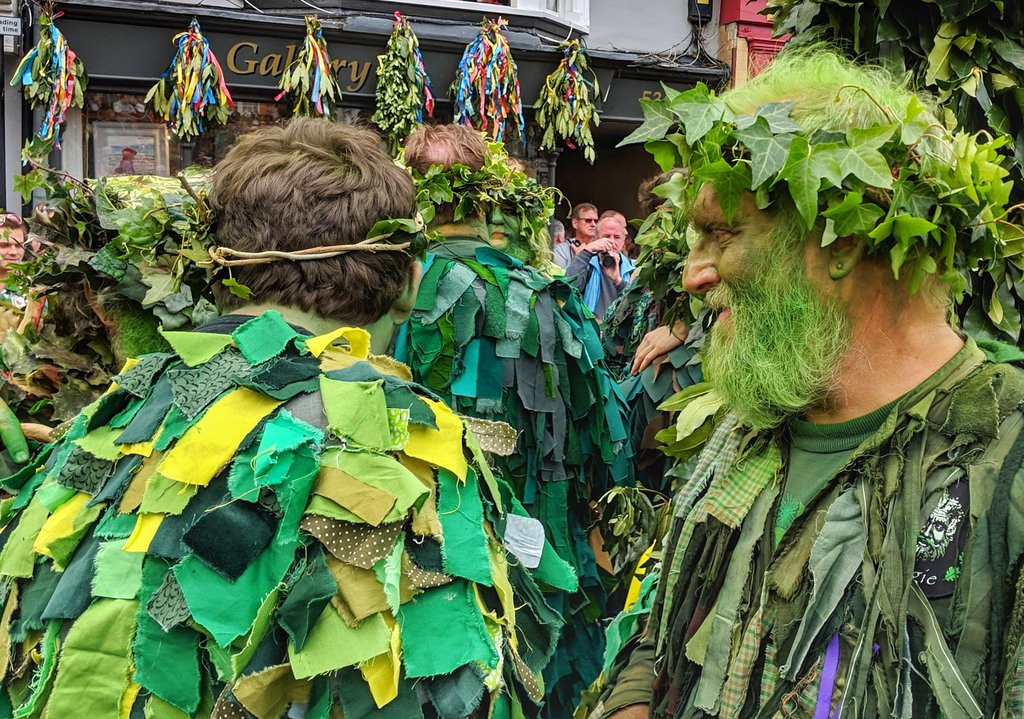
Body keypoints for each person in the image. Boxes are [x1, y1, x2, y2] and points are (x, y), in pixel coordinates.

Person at [595, 50, 1024, 718]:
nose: (692, 274)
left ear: (843, 239)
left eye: (721, 234)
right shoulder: (749, 434)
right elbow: (667, 631)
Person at [0, 118, 574, 719]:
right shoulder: (403, 439)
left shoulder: (110, 416)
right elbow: (446, 683)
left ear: (218, 273)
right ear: (410, 282)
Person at [395, 123, 634, 718]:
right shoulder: (551, 294)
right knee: (532, 668)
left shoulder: (388, 290)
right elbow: (601, 439)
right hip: (535, 537)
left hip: (416, 542)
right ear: (487, 192)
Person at [565, 215, 634, 319]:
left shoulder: (633, 268)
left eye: (617, 237)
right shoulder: (587, 264)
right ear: (596, 239)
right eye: (606, 237)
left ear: (623, 242)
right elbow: (567, 289)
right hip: (592, 329)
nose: (612, 242)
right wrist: (587, 251)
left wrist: (618, 281)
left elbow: (637, 304)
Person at [552, 202, 599, 269]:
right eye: (588, 220)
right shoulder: (561, 250)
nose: (593, 224)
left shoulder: (601, 248)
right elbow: (560, 279)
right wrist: (578, 259)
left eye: (596, 221)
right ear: (575, 223)